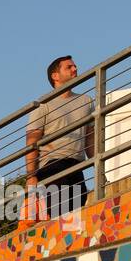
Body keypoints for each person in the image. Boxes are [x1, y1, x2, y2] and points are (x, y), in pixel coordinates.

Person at [27, 55, 95, 222]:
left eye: (75, 66)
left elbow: (90, 138)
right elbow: (31, 142)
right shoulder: (43, 104)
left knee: (77, 212)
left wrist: (98, 163)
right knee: (61, 215)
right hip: (52, 164)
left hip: (76, 163)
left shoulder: (86, 101)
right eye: (69, 67)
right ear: (55, 76)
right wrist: (31, 176)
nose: (75, 69)